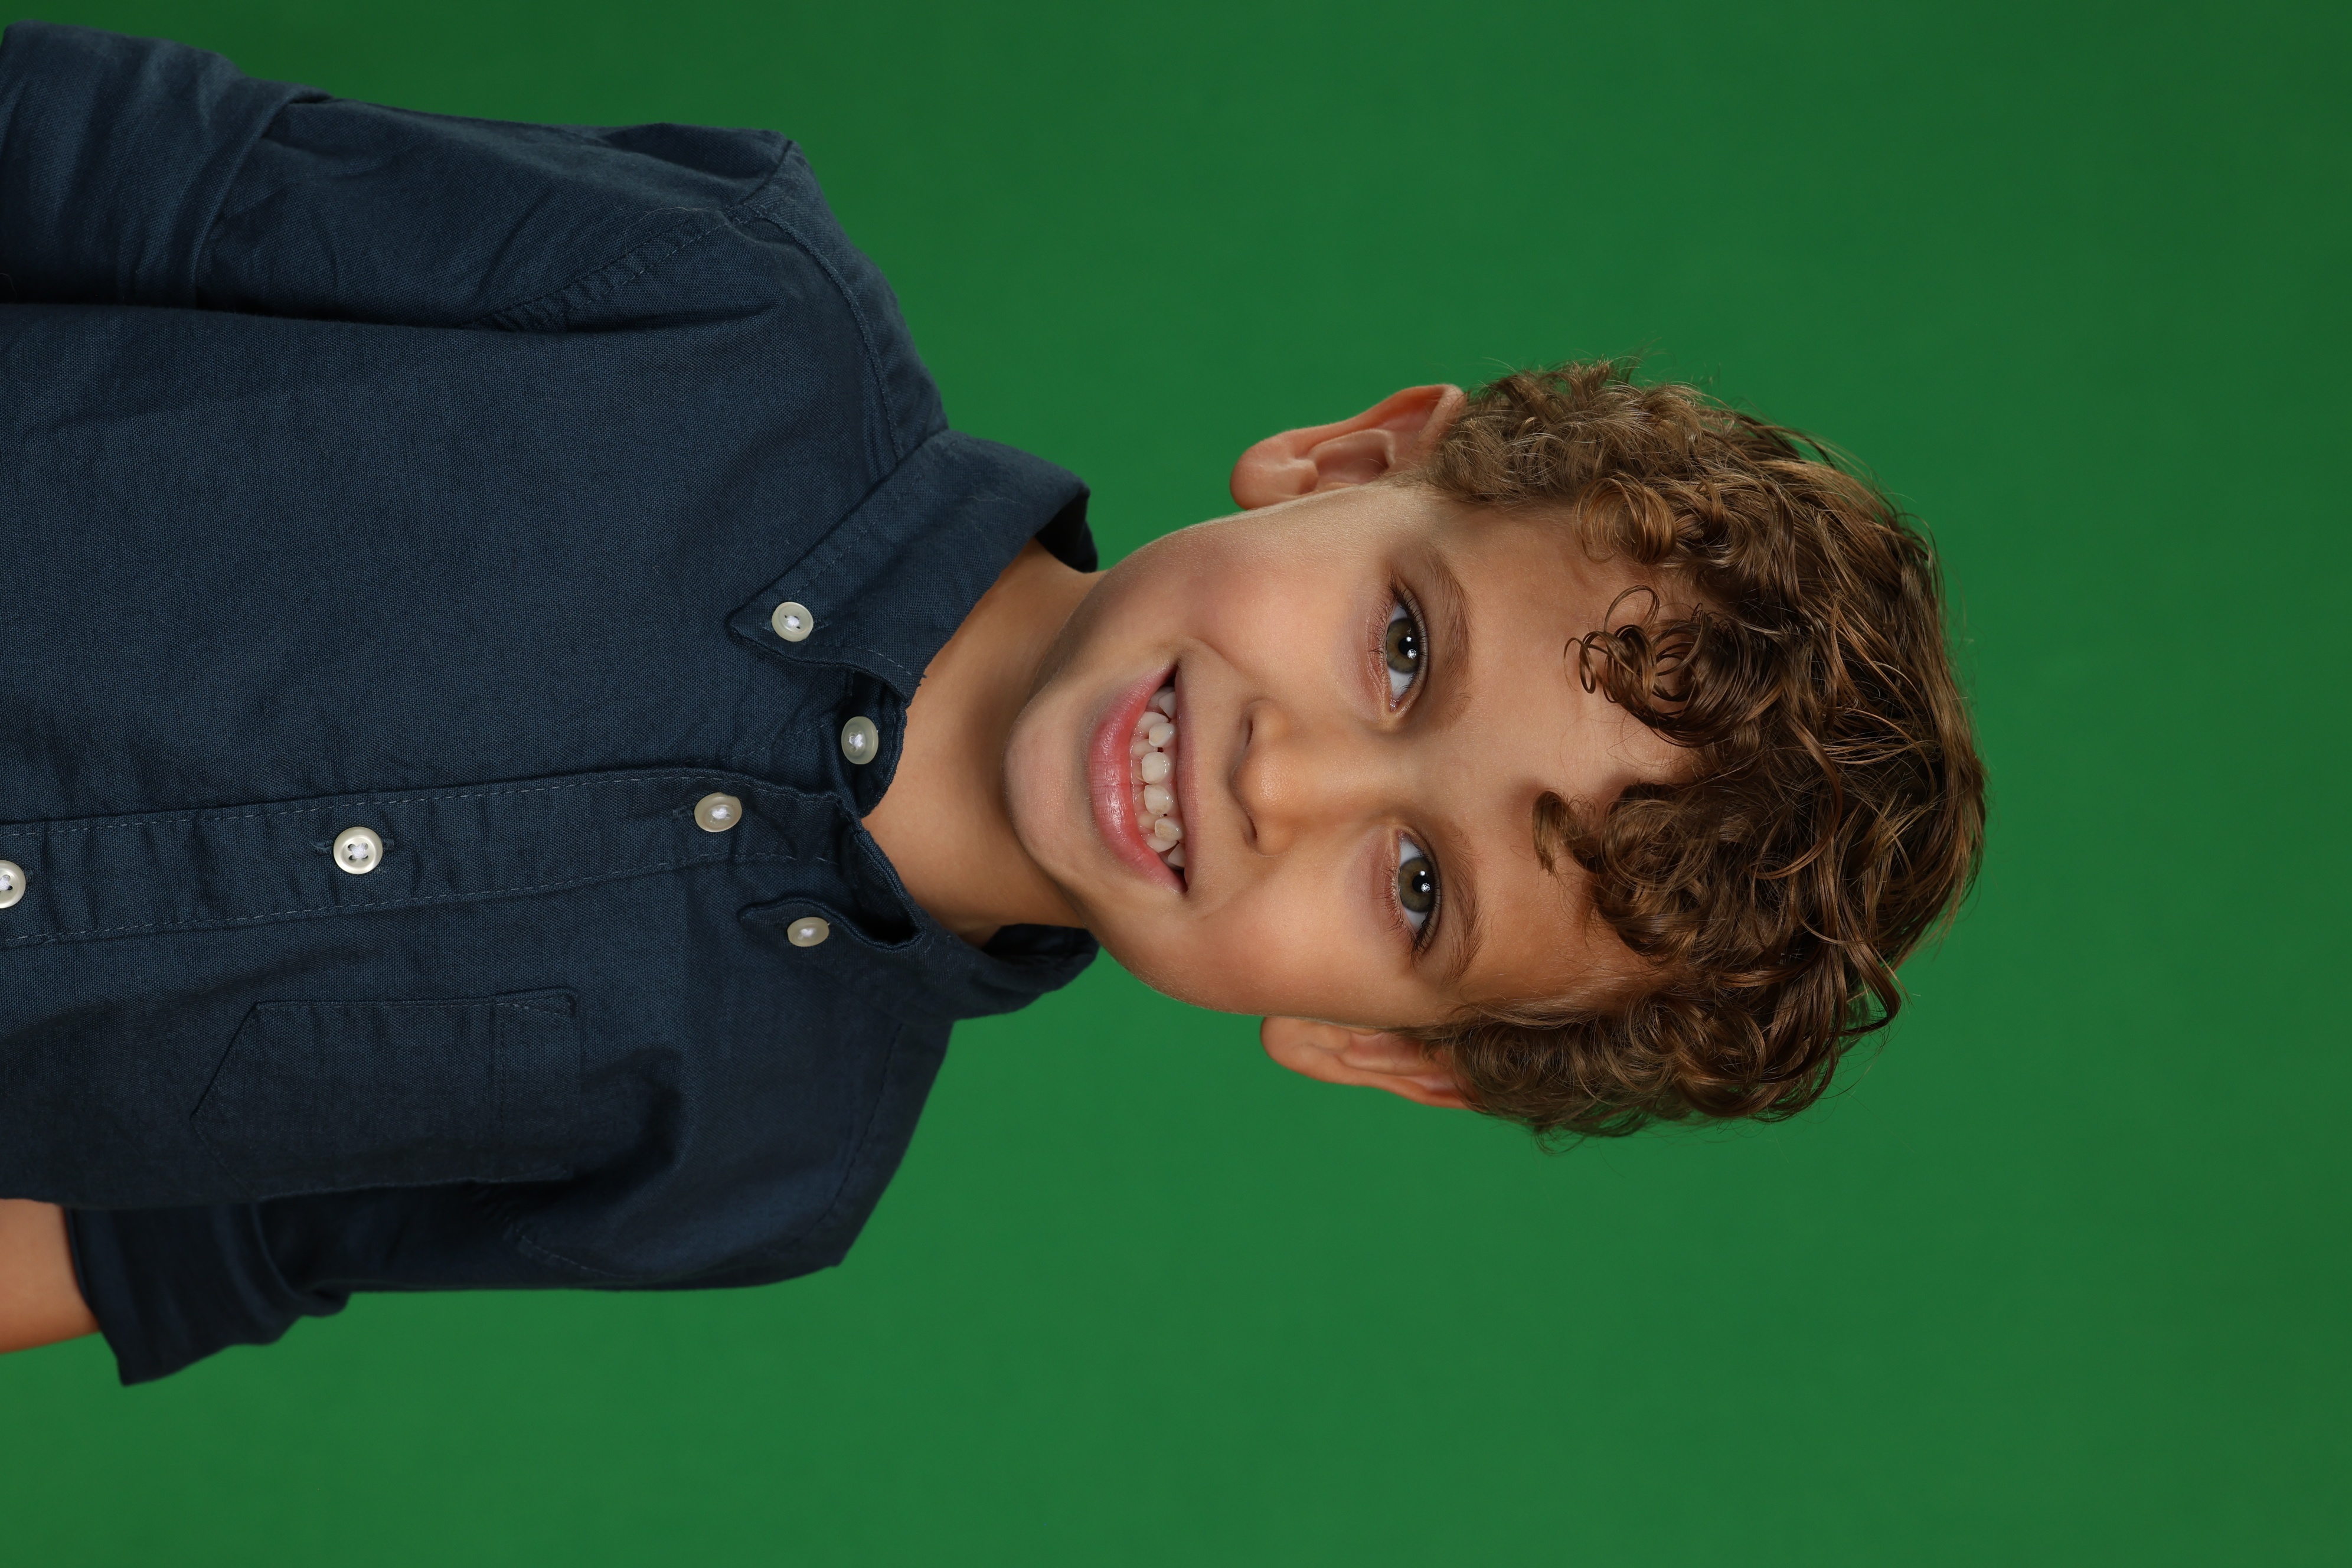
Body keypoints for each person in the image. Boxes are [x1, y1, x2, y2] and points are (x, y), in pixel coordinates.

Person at [0, 22, 1986, 1382]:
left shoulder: (756, 1167)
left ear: (1387, 1049)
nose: (1289, 777)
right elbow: (85, 158)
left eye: (1417, 889)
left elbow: (145, 1240)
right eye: (1404, 648)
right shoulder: (725, 306)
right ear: (1354, 458)